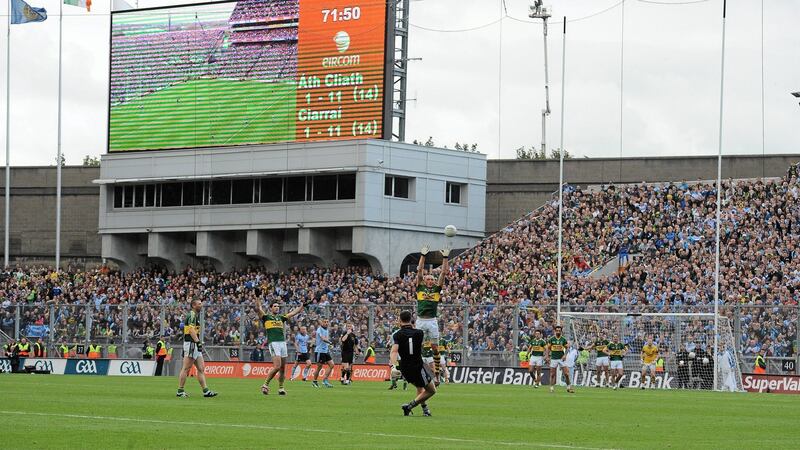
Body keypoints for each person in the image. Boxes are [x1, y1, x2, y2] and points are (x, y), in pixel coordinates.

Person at [415, 243, 450, 384]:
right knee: (417, 348)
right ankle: (418, 372)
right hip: (420, 320)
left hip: (431, 321)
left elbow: (443, 272)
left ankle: (436, 374)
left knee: (435, 348)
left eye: (431, 279)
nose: (430, 280)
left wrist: (445, 258)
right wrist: (422, 256)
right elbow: (419, 271)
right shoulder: (420, 287)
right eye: (428, 279)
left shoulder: (436, 289)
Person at [390, 310, 436, 417]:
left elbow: (394, 351)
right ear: (411, 319)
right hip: (417, 366)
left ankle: (425, 410)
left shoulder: (397, 335)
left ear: (399, 320)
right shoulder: (419, 333)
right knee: (432, 390)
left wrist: (393, 366)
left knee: (420, 387)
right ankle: (409, 406)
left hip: (405, 368)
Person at [257, 301, 305, 396]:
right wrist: (257, 298)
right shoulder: (266, 317)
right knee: (277, 366)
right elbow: (259, 309)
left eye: (278, 306)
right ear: (271, 308)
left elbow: (293, 313)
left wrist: (302, 306)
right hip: (274, 343)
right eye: (275, 306)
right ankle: (265, 385)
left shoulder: (281, 318)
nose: (277, 308)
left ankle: (281, 388)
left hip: (282, 343)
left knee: (283, 368)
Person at [177, 298, 217, 398]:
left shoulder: (195, 315)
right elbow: (191, 329)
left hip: (194, 344)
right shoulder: (192, 315)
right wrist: (198, 341)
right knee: (186, 368)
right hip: (191, 343)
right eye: (199, 304)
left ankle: (206, 391)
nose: (201, 305)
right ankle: (180, 390)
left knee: (201, 368)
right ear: (194, 305)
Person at [546, 325, 573, 393]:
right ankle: (551, 388)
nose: (558, 332)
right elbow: (548, 348)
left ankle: (568, 387)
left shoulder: (563, 339)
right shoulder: (551, 339)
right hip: (554, 358)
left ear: (561, 331)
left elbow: (567, 348)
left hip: (561, 358)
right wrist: (547, 356)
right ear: (555, 331)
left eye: (559, 331)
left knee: (566, 374)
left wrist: (565, 355)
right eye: (557, 330)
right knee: (552, 374)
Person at [312, 318, 335, 388]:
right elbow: (323, 339)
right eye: (325, 322)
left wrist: (329, 345)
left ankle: (325, 380)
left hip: (325, 351)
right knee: (319, 367)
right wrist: (330, 342)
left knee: (332, 365)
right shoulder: (319, 329)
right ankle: (314, 381)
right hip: (320, 351)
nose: (326, 323)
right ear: (321, 323)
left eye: (327, 322)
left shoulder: (327, 330)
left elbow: (326, 339)